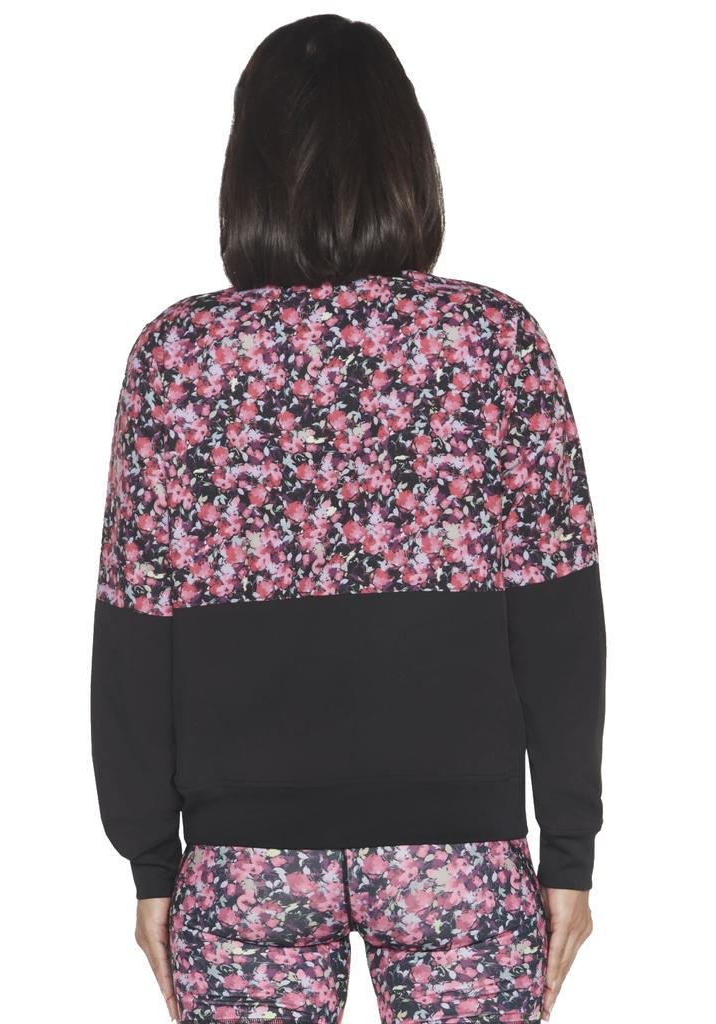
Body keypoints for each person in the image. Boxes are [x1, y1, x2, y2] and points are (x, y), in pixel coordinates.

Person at [90, 13, 607, 1024]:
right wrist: (570, 851)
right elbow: (559, 613)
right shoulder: (491, 339)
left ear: (247, 171)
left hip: (243, 866)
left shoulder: (178, 355)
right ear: (405, 161)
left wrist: (151, 861)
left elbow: (135, 623)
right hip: (459, 855)